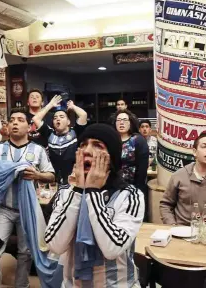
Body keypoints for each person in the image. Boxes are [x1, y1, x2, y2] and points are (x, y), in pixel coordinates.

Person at [45, 123, 145, 287]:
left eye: (97, 145)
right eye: (83, 145)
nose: (87, 151)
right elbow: (55, 244)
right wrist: (78, 190)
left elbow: (112, 248)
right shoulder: (66, 192)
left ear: (111, 157)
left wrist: (92, 191)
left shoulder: (130, 196)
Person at [0, 108, 55, 288]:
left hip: (28, 209)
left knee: (25, 253)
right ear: (8, 126)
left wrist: (38, 175)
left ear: (29, 127)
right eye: (12, 120)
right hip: (3, 209)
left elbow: (51, 175)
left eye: (20, 120)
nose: (15, 123)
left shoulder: (38, 150)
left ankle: (21, 285)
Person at [32, 94, 87, 185]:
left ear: (68, 121)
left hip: (74, 180)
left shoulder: (75, 132)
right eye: (55, 118)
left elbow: (83, 115)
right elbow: (36, 118)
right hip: (54, 181)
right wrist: (49, 105)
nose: (58, 119)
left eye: (62, 117)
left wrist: (73, 107)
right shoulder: (49, 133)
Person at [114, 109, 149, 221]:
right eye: (118, 120)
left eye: (125, 120)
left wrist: (137, 190)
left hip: (133, 188)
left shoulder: (138, 140)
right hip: (114, 189)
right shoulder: (111, 140)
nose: (121, 123)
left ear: (130, 123)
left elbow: (142, 170)